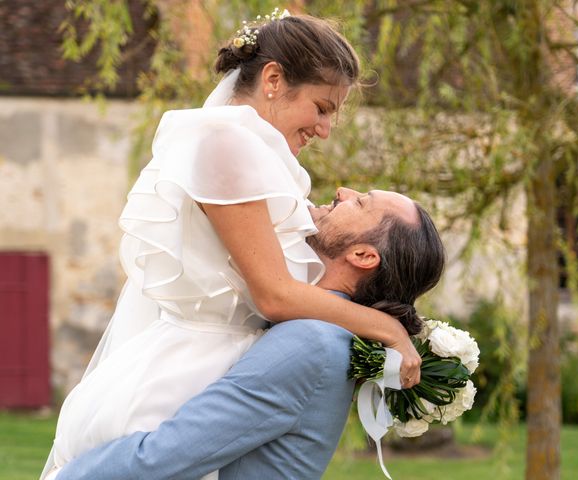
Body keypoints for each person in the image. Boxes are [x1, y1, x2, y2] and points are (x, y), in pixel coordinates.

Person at [41, 12, 423, 479]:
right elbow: (274, 294)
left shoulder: (260, 154)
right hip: (185, 374)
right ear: (274, 79)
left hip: (230, 364)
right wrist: (387, 328)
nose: (325, 129)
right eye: (322, 108)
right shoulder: (226, 143)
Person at [50, 187, 446, 480]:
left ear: (363, 256)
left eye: (360, 203)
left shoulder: (311, 342)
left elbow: (166, 456)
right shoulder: (319, 330)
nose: (343, 191)